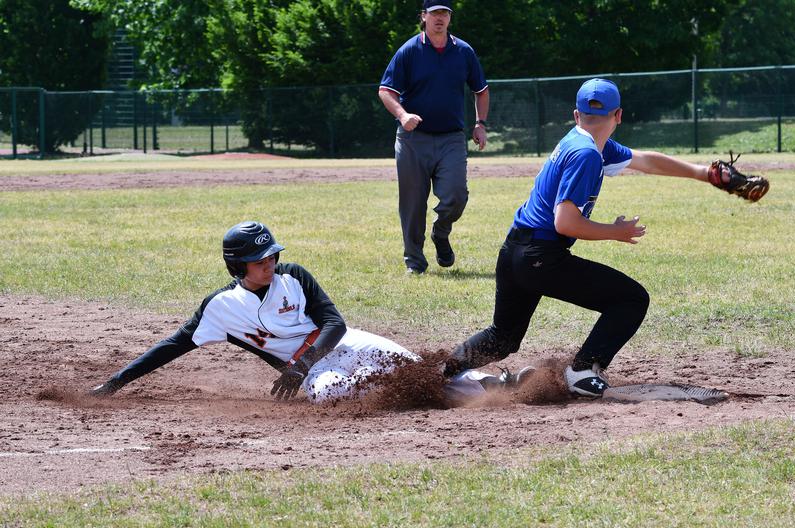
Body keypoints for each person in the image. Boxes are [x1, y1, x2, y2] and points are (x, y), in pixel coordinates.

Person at [442, 78, 743, 399]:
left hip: (514, 251)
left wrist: (703, 173)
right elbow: (565, 221)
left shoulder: (585, 142)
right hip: (541, 256)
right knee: (630, 299)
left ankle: (440, 374)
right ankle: (584, 370)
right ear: (619, 116)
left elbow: (645, 160)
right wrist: (615, 232)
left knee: (503, 337)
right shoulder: (587, 153)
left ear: (576, 115)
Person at [89, 221, 518, 403]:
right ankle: (409, 398)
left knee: (413, 368)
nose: (269, 264)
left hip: (343, 345)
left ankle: (501, 384)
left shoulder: (293, 276)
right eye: (259, 261)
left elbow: (335, 324)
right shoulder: (221, 308)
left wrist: (298, 363)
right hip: (315, 374)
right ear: (237, 266)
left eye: (271, 256)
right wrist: (115, 382)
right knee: (328, 394)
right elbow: (172, 346)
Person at [378, 0, 489, 274]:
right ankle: (415, 262)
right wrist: (403, 116)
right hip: (413, 140)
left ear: (450, 18)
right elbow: (385, 90)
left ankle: (441, 232)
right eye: (434, 13)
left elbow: (481, 90)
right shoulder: (409, 51)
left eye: (445, 13)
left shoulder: (463, 51)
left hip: (451, 138)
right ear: (424, 17)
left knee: (456, 195)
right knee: (413, 205)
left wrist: (480, 123)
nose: (440, 18)